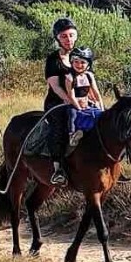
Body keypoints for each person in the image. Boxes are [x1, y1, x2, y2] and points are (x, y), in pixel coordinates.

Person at [44, 18, 78, 185]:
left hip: (81, 100)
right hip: (57, 102)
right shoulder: (53, 59)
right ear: (58, 38)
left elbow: (90, 80)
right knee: (59, 126)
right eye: (64, 36)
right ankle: (58, 168)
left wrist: (95, 102)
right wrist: (70, 101)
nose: (68, 39)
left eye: (71, 35)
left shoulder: (81, 55)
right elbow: (55, 86)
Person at [64, 47, 105, 147]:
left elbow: (96, 93)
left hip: (87, 103)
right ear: (71, 62)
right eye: (76, 62)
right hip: (74, 104)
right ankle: (72, 135)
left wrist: (101, 107)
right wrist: (79, 108)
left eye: (82, 62)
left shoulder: (89, 76)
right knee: (72, 115)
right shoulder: (70, 78)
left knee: (99, 114)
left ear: (88, 65)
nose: (79, 65)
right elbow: (71, 96)